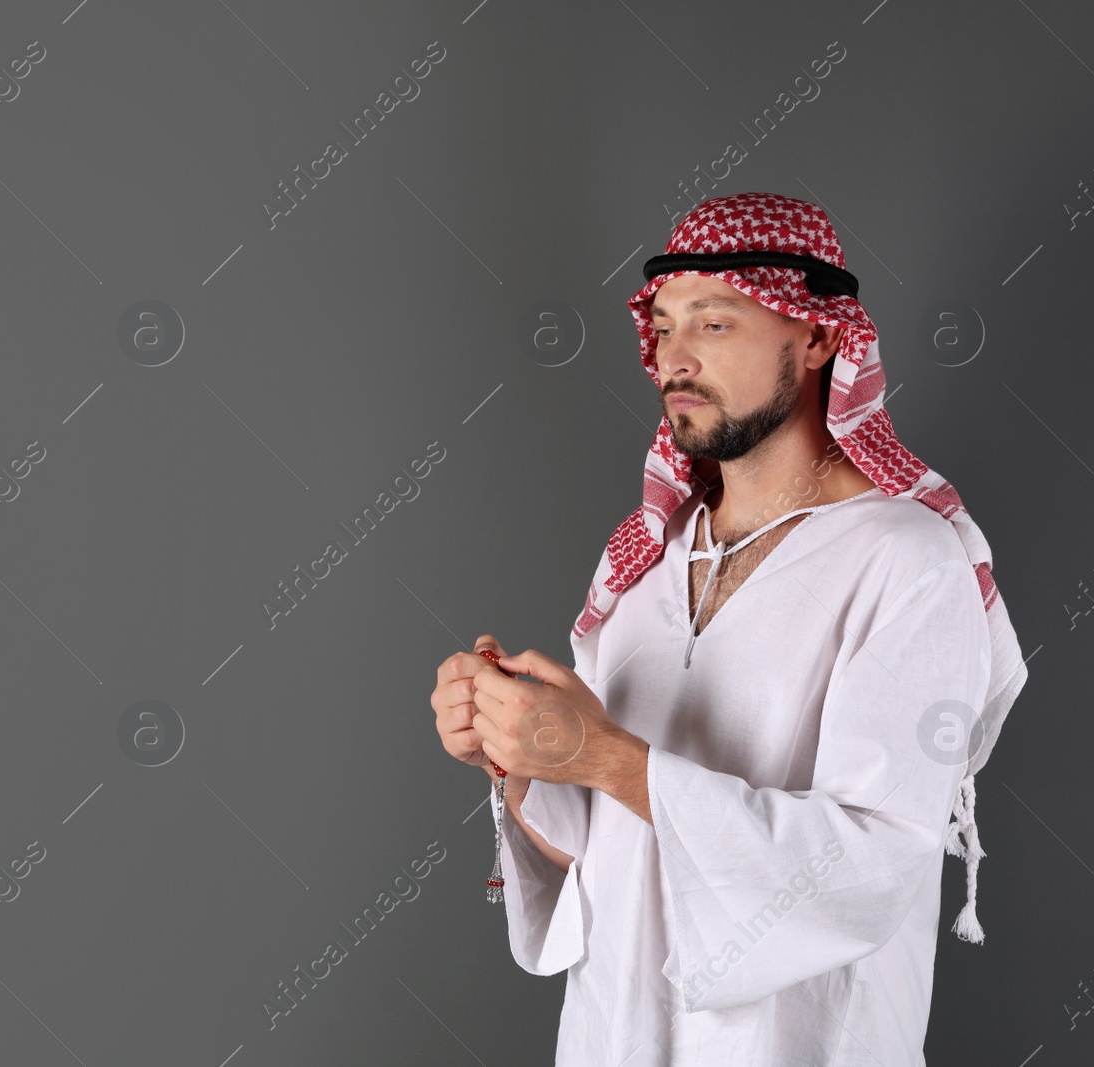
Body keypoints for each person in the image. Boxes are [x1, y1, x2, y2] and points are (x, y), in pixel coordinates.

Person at [429, 192, 1026, 1066]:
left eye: (713, 324)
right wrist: (517, 752)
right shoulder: (642, 565)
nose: (673, 358)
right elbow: (597, 853)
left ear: (820, 337)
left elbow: (870, 870)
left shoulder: (910, 563)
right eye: (663, 327)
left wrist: (604, 755)